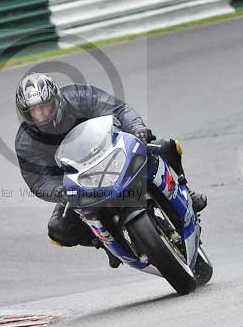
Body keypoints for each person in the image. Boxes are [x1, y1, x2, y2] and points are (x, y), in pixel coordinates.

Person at [14, 72, 207, 267]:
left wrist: (137, 128)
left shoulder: (78, 95)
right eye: (34, 111)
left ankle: (187, 194)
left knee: (164, 146)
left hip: (114, 153)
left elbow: (118, 109)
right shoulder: (25, 141)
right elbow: (38, 179)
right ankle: (106, 242)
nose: (41, 114)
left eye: (45, 107)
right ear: (25, 114)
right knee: (58, 229)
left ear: (56, 100)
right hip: (79, 181)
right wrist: (58, 190)